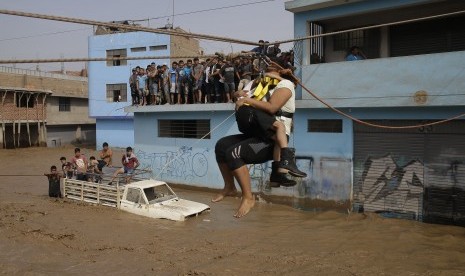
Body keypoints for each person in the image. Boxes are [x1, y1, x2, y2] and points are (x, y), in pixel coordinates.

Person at [213, 58, 303, 218]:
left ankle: (248, 197)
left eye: (272, 65)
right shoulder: (263, 83)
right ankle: (229, 186)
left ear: (281, 70)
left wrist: (248, 100)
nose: (267, 67)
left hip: (271, 140)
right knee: (222, 145)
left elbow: (272, 107)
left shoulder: (285, 85)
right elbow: (242, 96)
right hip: (259, 132)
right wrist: (239, 94)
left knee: (235, 153)